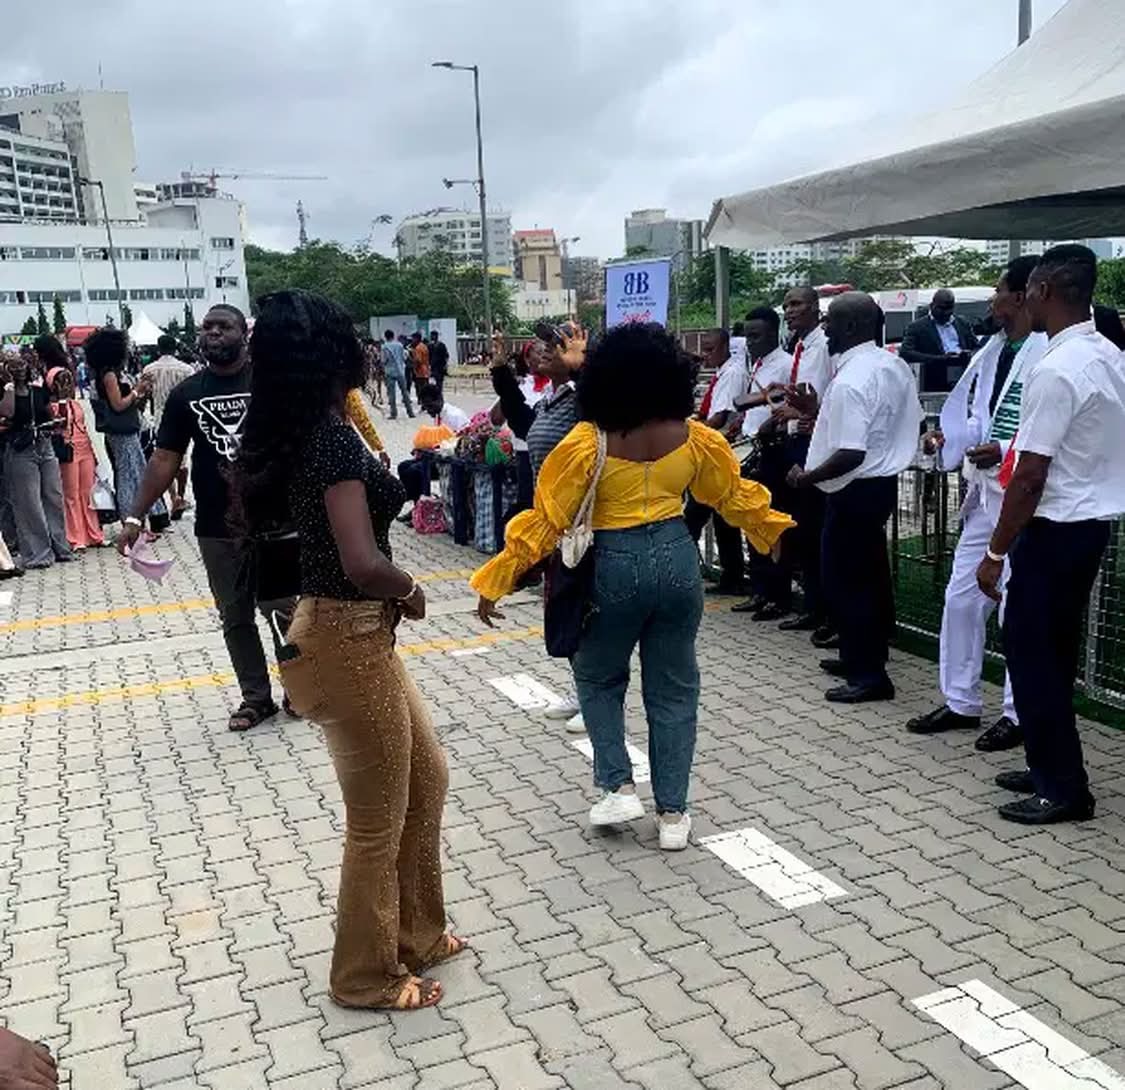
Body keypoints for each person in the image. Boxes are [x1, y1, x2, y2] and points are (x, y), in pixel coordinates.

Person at [473, 323, 794, 850]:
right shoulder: (694, 437)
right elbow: (731, 495)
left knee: (598, 677)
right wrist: (771, 532)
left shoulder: (587, 441)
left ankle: (618, 785)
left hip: (612, 563)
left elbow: (546, 521)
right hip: (676, 558)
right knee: (674, 687)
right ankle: (673, 815)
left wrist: (497, 580)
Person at [236, 288, 463, 1010]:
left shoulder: (327, 425)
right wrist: (411, 590)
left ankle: (419, 932)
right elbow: (362, 561)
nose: (367, 350)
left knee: (427, 778)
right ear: (330, 353)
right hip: (347, 633)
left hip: (357, 635)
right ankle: (364, 975)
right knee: (375, 821)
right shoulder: (328, 441)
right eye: (352, 340)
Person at [978, 245, 1125, 825]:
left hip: (1056, 527)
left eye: (1028, 290)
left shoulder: (1057, 367)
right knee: (1051, 654)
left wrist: (994, 552)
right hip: (1087, 523)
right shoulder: (1109, 354)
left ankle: (1064, 789)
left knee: (1034, 652)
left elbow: (1031, 473)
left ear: (1042, 292)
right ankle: (1047, 764)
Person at [116, 304, 295, 733]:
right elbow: (164, 458)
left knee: (284, 611)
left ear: (243, 334)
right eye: (207, 327)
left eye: (223, 326)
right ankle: (256, 698)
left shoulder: (273, 384)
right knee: (234, 615)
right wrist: (136, 516)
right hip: (217, 525)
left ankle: (300, 689)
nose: (213, 332)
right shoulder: (187, 394)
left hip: (276, 519)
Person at [907, 257, 1045, 750]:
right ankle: (962, 701)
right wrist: (945, 439)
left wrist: (1004, 451)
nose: (991, 302)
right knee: (962, 597)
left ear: (1023, 296)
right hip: (986, 494)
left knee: (1016, 608)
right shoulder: (991, 348)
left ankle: (1018, 712)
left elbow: (1049, 436)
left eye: (998, 292)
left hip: (1029, 498)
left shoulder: (1047, 351)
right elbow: (975, 413)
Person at [788, 292, 922, 703]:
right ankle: (859, 654)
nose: (824, 331)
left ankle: (869, 676)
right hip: (875, 486)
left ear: (850, 327)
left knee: (847, 583)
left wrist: (807, 478)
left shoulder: (851, 378)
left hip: (854, 488)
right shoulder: (889, 365)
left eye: (830, 323)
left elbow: (851, 452)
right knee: (868, 578)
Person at [490, 328, 587, 730]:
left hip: (583, 522)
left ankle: (596, 698)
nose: (543, 351)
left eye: (555, 346)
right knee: (565, 610)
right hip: (556, 523)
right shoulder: (552, 399)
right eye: (541, 346)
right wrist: (499, 370)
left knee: (584, 613)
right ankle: (583, 690)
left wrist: (583, 367)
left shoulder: (583, 399)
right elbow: (521, 420)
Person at [771, 286, 835, 641]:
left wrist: (807, 412)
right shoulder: (799, 347)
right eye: (786, 306)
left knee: (815, 531)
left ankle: (827, 613)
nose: (790, 311)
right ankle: (812, 607)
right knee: (803, 531)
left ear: (814, 307)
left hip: (816, 443)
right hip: (795, 441)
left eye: (795, 304)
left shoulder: (824, 346)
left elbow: (825, 394)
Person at [726, 307, 794, 618]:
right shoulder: (758, 365)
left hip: (773, 450)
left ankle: (778, 596)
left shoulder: (785, 365)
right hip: (752, 448)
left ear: (772, 333)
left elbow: (783, 408)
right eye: (748, 336)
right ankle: (760, 590)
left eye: (757, 335)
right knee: (752, 522)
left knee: (771, 525)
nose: (750, 342)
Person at [684, 329, 749, 595]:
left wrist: (688, 430)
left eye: (711, 350)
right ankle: (731, 576)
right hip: (713, 451)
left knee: (694, 519)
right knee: (720, 520)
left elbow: (719, 419)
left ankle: (689, 575)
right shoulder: (724, 371)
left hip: (719, 453)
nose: (706, 355)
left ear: (725, 347)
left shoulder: (733, 373)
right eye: (704, 349)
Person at [0, 344, 74, 569]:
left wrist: (59, 407)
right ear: (7, 370)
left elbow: (54, 416)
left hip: (44, 445)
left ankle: (60, 547)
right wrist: (10, 386)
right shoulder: (5, 392)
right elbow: (8, 413)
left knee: (53, 496)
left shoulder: (39, 391)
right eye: (14, 366)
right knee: (29, 503)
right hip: (20, 450)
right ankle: (37, 554)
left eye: (23, 364)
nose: (20, 369)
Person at [86, 328, 161, 530]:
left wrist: (141, 392)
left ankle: (139, 523)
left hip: (124, 431)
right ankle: (130, 522)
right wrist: (137, 391)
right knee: (128, 476)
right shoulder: (109, 376)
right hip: (121, 433)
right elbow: (118, 404)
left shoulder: (104, 374)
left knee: (135, 473)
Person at [46, 366, 105, 551]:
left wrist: (95, 455)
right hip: (68, 450)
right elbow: (61, 422)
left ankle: (94, 534)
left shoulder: (77, 403)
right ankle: (75, 536)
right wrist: (62, 400)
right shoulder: (54, 406)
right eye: (62, 381)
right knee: (71, 495)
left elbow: (85, 427)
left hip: (85, 449)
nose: (67, 385)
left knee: (88, 493)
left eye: (69, 381)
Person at [396, 383, 471, 523]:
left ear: (439, 399)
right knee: (403, 466)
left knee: (414, 471)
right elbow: (439, 439)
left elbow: (462, 444)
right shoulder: (439, 414)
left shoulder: (454, 416)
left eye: (430, 406)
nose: (428, 410)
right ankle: (418, 507)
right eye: (425, 407)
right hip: (438, 457)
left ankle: (422, 509)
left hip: (452, 463)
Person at [142, 333, 194, 518]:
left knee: (165, 457)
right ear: (175, 348)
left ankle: (173, 498)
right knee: (183, 459)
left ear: (158, 348)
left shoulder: (149, 369)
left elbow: (145, 395)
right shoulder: (186, 370)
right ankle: (181, 495)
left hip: (159, 417)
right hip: (185, 417)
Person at [899, 288, 979, 392]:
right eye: (941, 308)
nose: (945, 313)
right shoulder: (917, 327)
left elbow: (977, 347)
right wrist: (939, 358)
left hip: (963, 375)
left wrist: (968, 354)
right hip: (935, 378)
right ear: (932, 306)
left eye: (948, 309)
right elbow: (905, 352)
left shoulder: (962, 323)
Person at [382, 330, 414, 420]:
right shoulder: (400, 345)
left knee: (391, 394)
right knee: (405, 392)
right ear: (393, 336)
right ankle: (410, 412)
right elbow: (404, 357)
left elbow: (384, 360)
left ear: (385, 336)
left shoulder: (384, 347)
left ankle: (393, 413)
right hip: (400, 371)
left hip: (389, 372)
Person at [428, 329, 450, 395]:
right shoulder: (429, 346)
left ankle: (439, 395)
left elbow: (446, 356)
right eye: (431, 335)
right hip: (432, 367)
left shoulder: (441, 345)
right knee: (432, 383)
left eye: (433, 335)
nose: (432, 337)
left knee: (439, 383)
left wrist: (445, 365)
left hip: (440, 367)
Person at [410, 331, 430, 396]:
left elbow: (418, 360)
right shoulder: (424, 346)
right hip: (426, 370)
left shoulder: (418, 348)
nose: (412, 340)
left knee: (420, 387)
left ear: (416, 338)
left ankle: (421, 400)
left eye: (413, 338)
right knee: (426, 387)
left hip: (420, 371)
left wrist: (414, 368)